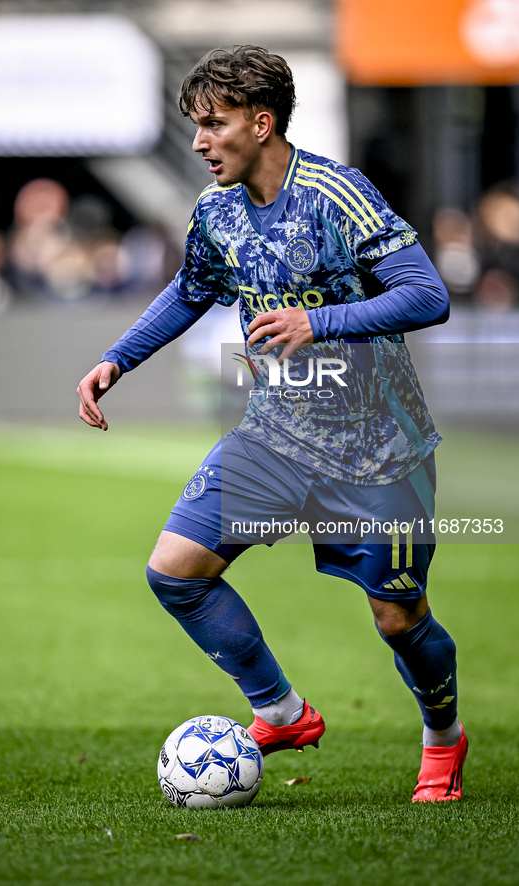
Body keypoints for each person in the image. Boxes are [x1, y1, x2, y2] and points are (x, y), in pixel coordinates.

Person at [77, 45, 467, 803]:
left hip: (376, 452)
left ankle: (442, 738)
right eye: (194, 126)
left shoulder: (335, 193)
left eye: (212, 124)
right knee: (175, 572)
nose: (198, 142)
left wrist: (319, 325)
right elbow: (191, 291)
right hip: (275, 438)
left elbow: (427, 294)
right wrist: (117, 359)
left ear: (261, 124)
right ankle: (280, 711)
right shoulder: (216, 212)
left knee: (397, 620)